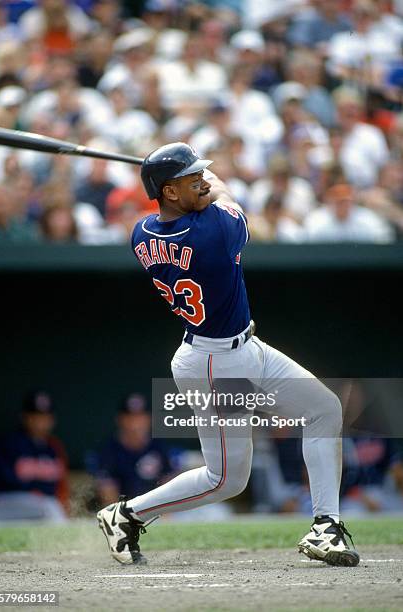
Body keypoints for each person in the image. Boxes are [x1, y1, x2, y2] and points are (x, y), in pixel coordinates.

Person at [96, 142, 360, 567]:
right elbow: (224, 194)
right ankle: (126, 514)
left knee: (324, 409)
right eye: (190, 178)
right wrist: (204, 182)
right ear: (167, 192)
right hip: (218, 366)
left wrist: (180, 176)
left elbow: (196, 195)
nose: (201, 180)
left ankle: (325, 525)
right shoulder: (215, 232)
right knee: (226, 480)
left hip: (238, 347)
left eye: (201, 174)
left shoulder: (141, 233)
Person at [0, 390, 69, 522]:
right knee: (50, 507)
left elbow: (60, 487)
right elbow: (2, 481)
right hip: (6, 502)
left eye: (45, 417)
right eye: (36, 416)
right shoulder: (8, 444)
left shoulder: (54, 448)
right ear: (25, 417)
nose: (41, 422)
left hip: (42, 504)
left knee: (52, 507)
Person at [92, 393, 174, 507]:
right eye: (130, 418)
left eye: (140, 417)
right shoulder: (109, 449)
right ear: (120, 419)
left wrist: (164, 514)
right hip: (124, 511)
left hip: (156, 510)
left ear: (148, 419)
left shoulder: (159, 446)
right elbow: (108, 492)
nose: (135, 424)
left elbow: (168, 484)